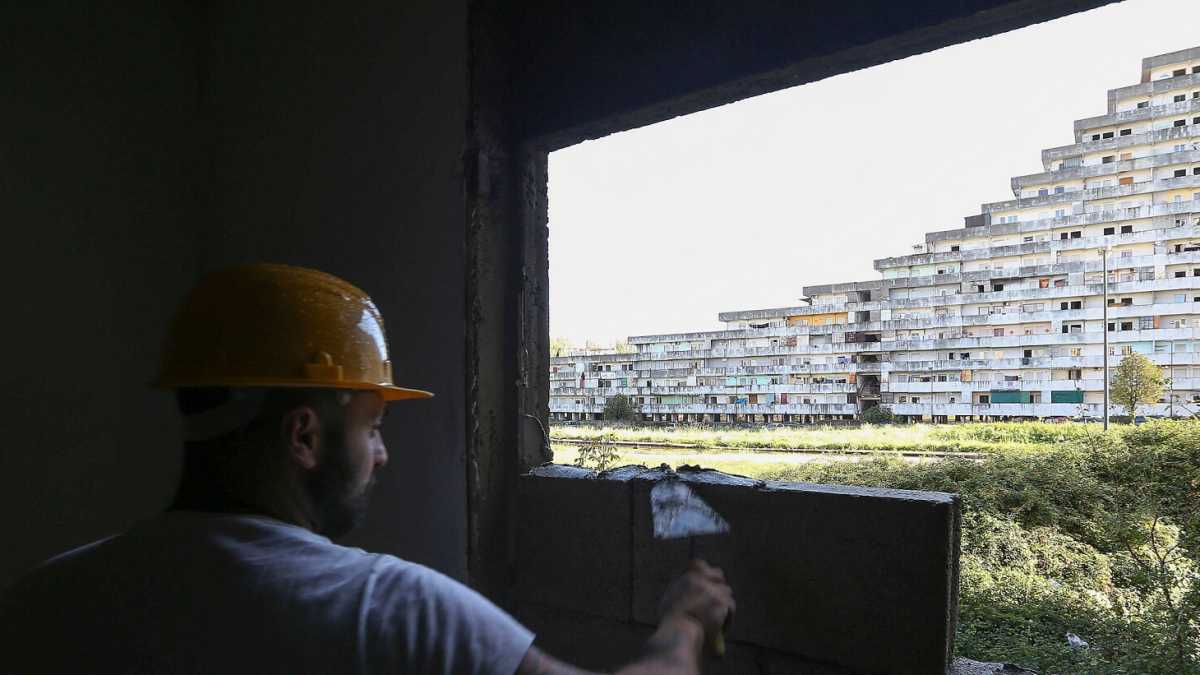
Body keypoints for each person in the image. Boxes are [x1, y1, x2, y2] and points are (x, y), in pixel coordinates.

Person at [0, 263, 734, 674]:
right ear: (303, 435)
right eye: (373, 425)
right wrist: (683, 624)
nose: (383, 454)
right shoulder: (393, 612)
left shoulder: (40, 601)